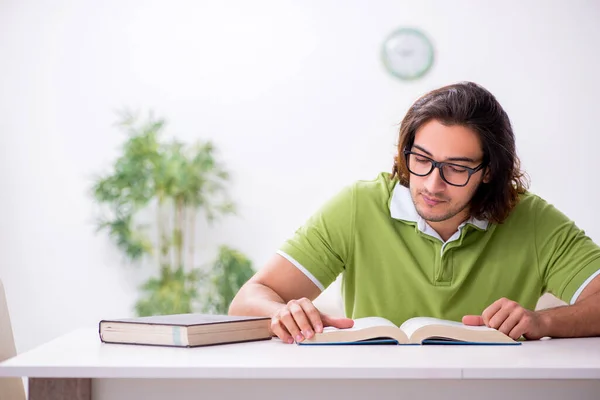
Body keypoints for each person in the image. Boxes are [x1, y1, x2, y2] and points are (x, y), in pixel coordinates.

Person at [228, 81, 600, 344]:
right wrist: (282, 313)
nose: (433, 184)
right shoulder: (359, 206)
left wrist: (543, 320)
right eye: (421, 159)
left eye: (456, 168)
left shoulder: (531, 219)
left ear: (489, 171)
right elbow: (248, 299)